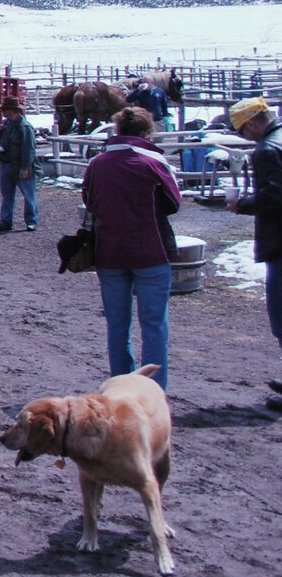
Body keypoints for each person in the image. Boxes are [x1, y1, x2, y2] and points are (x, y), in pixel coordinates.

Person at [83, 106, 180, 390]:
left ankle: (120, 387)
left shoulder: (98, 163)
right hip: (151, 251)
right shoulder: (153, 163)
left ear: (118, 129)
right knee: (154, 326)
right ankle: (153, 391)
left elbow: (89, 200)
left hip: (110, 252)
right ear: (146, 131)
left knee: (117, 325)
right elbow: (173, 203)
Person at [226, 96, 282, 411]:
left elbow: (275, 195)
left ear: (252, 124)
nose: (244, 137)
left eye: (243, 131)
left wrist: (243, 204)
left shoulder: (267, 150)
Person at [0, 96, 39, 231]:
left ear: (12, 110)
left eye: (4, 109)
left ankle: (31, 221)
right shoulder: (6, 124)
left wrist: (25, 167)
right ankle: (5, 222)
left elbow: (29, 150)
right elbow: (4, 144)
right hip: (6, 164)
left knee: (29, 195)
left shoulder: (25, 127)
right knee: (7, 196)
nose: (2, 112)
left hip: (20, 166)